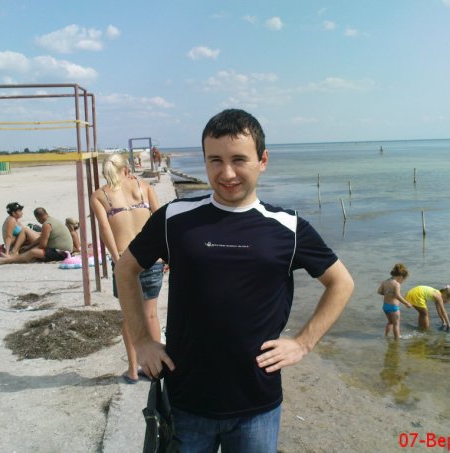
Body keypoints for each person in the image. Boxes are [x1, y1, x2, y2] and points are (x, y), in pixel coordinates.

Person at [116, 109, 354, 451]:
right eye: (215, 160)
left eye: (239, 159)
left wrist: (303, 343)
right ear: (205, 161)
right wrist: (142, 341)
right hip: (186, 400)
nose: (227, 173)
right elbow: (126, 269)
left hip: (257, 406)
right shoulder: (174, 218)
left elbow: (341, 283)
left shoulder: (288, 227)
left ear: (262, 160)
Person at [90, 153, 162, 383]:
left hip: (125, 259)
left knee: (130, 317)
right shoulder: (144, 187)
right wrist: (166, 254)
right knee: (151, 314)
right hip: (152, 259)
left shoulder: (100, 195)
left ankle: (133, 370)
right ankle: (156, 368)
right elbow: (160, 220)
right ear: (126, 169)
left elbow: (105, 229)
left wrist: (116, 260)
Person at [0, 207, 73, 264]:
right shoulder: (52, 220)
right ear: (46, 213)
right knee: (31, 250)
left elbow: (42, 245)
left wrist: (29, 250)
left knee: (32, 252)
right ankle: (14, 255)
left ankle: (10, 259)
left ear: (37, 218)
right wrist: (29, 247)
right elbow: (42, 238)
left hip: (61, 253)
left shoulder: (46, 225)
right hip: (65, 251)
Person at [377, 263, 413, 339]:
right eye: (403, 279)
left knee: (390, 322)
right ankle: (397, 339)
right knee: (396, 324)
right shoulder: (396, 284)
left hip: (385, 306)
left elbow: (379, 291)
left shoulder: (385, 282)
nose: (402, 281)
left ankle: (386, 336)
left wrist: (388, 293)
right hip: (393, 307)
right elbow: (397, 296)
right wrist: (406, 303)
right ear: (400, 277)